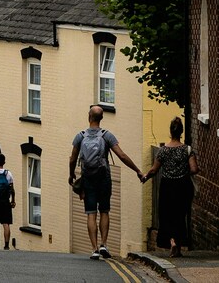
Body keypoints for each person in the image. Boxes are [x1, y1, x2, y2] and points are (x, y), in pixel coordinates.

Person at [69, 105, 144, 260]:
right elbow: (122, 156)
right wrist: (137, 170)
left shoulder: (80, 136)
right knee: (104, 211)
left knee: (90, 213)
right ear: (101, 118)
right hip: (104, 178)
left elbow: (73, 158)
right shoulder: (107, 136)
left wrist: (71, 175)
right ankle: (104, 244)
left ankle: (94, 248)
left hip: (88, 178)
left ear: (89, 117)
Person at [141, 116, 198, 257]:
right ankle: (178, 246)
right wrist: (184, 171)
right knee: (180, 215)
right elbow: (194, 169)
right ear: (181, 131)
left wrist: (145, 177)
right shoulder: (187, 150)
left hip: (167, 186)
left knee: (167, 215)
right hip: (183, 186)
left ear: (170, 132)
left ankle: (172, 242)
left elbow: (154, 170)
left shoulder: (163, 150)